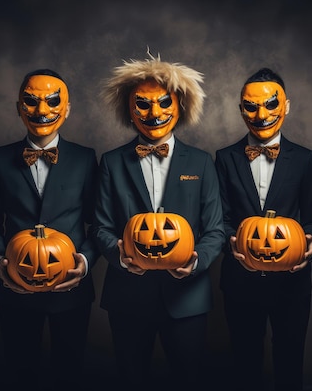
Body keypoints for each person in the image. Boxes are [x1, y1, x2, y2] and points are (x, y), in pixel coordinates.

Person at [91, 53, 225, 389]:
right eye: (143, 104)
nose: (154, 114)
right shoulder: (111, 163)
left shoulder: (201, 162)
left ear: (180, 105)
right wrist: (119, 256)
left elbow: (215, 229)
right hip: (128, 298)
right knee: (130, 379)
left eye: (164, 103)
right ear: (129, 110)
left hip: (187, 298)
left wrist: (196, 261)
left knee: (187, 380)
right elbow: (100, 226)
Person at [0, 69, 99, 390]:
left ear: (68, 107)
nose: (41, 111)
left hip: (71, 291)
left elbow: (98, 223)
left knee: (69, 372)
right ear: (19, 108)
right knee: (21, 372)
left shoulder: (86, 159)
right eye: (30, 102)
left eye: (52, 101)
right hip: (15, 288)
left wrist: (83, 263)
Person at [214, 67, 312, 391]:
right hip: (240, 284)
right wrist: (232, 243)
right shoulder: (224, 158)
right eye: (251, 106)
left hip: (291, 285)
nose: (261, 114)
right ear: (240, 109)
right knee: (244, 366)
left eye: (271, 105)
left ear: (286, 106)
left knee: (290, 366)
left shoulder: (305, 160)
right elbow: (219, 219)